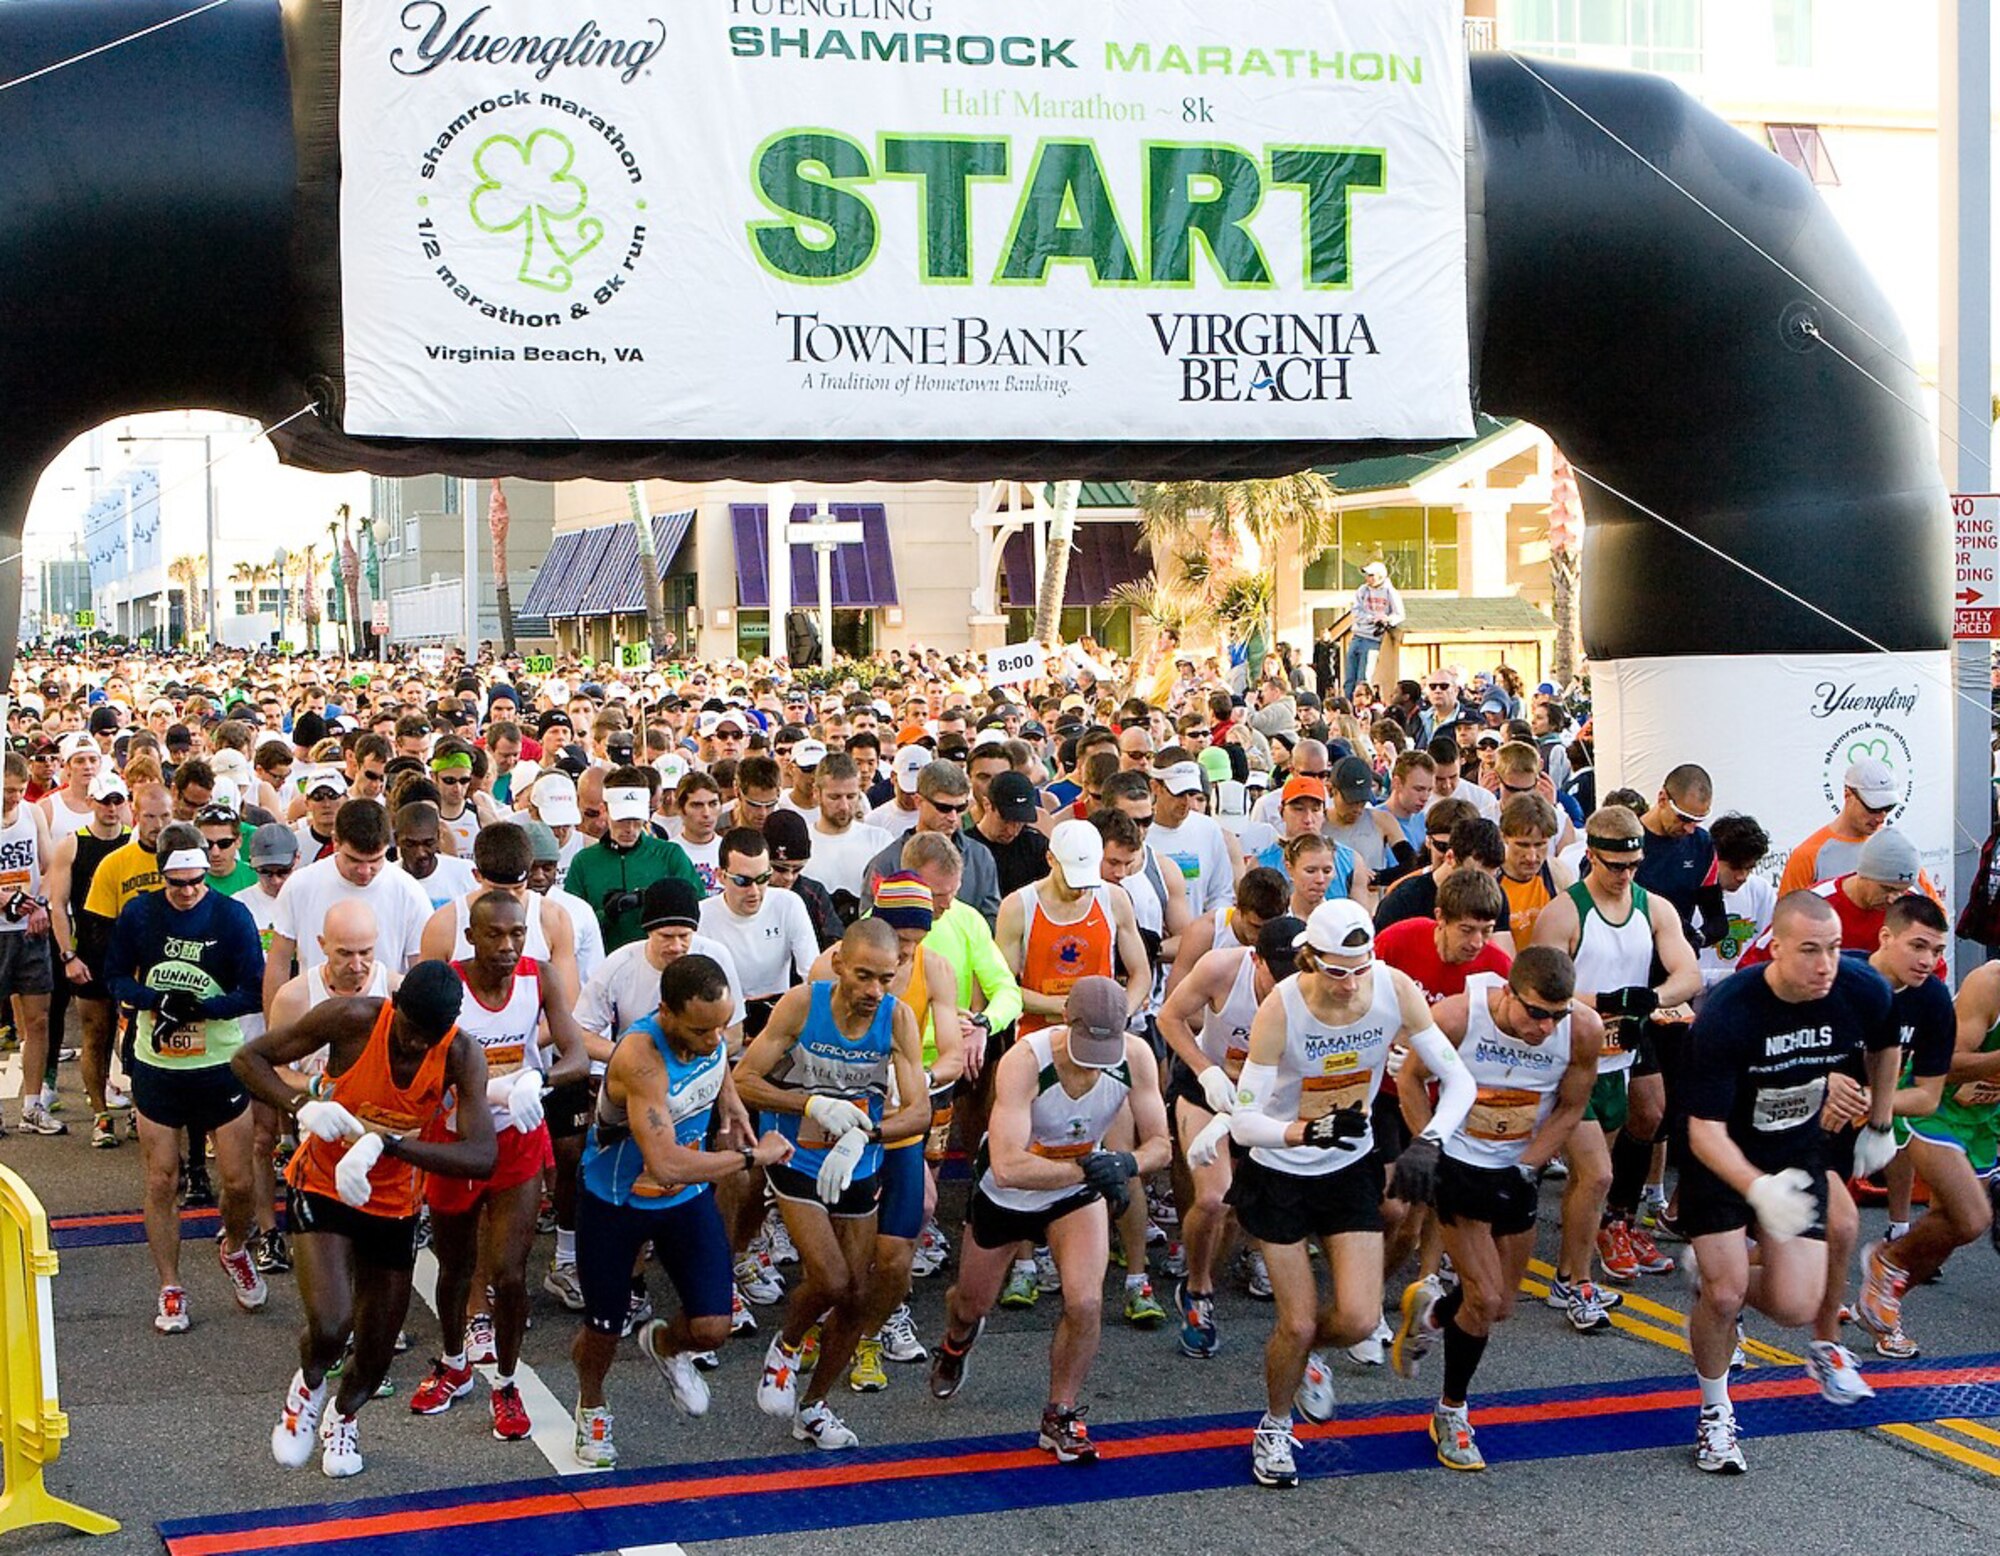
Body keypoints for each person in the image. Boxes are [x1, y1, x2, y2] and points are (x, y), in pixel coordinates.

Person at [1185, 898, 1474, 1490]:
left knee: (1362, 1318)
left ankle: (1308, 1360)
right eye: (1337, 971)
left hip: (1348, 1167)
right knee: (1293, 1324)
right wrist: (1304, 1130)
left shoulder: (1393, 988)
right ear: (1309, 960)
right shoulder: (1281, 1010)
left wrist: (1431, 1140)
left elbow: (1460, 1078)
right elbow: (1246, 1121)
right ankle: (1274, 1424)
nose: (1350, 983)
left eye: (1360, 967)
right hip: (1280, 1172)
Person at [234, 960, 496, 1478]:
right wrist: (302, 1105)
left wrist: (390, 1144)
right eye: (410, 1033)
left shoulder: (462, 1054)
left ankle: (343, 1416)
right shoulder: (352, 1018)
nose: (418, 1047)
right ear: (393, 1008)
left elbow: (482, 1154)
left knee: (376, 1356)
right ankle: (307, 1387)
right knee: (332, 1326)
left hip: (393, 1203)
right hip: (323, 1184)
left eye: (431, 1038)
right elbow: (248, 1059)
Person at [1680, 890, 1898, 1474]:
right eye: (1808, 951)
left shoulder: (1860, 987)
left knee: (1794, 1305)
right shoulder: (1730, 1011)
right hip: (1724, 1157)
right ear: (1775, 949)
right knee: (1726, 1295)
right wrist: (1757, 1191)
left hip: (1796, 1149)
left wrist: (1880, 1118)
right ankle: (1715, 1412)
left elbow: (1885, 1044)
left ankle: (1710, 1272)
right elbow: (1702, 1132)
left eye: (1831, 949)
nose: (1824, 964)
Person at [928, 977, 1171, 1460]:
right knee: (971, 1303)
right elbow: (1007, 1164)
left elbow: (1161, 1144)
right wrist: (1086, 1167)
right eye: (1086, 1047)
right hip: (1011, 1193)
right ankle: (956, 1343)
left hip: (1076, 1193)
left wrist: (1126, 1165)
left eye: (1106, 1047)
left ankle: (1060, 1413)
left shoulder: (1136, 1056)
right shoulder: (1026, 1060)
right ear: (1066, 1021)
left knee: (1084, 1303)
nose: (1094, 1060)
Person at [568, 954, 793, 1468]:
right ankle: (592, 1406)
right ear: (665, 1013)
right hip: (618, 1201)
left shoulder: (707, 1034)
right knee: (604, 1326)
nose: (715, 1039)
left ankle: (666, 1346)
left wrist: (731, 1101)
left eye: (721, 1026)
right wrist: (749, 1158)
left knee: (714, 1327)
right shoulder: (640, 1059)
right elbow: (666, 1163)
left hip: (683, 1200)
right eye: (700, 1029)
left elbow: (717, 1062)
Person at [1389, 948, 1603, 1470]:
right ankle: (1451, 1412)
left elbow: (1572, 1106)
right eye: (1535, 1012)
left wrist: (1529, 1165)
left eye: (1557, 1015)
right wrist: (1428, 1145)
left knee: (1502, 1305)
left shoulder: (1583, 1031)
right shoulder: (1459, 1017)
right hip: (1459, 1163)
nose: (1544, 1028)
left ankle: (1433, 1311)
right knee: (1483, 1299)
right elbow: (1409, 1079)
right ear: (1508, 992)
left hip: (1516, 1168)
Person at [732, 919, 929, 1450]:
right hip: (796, 1152)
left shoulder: (898, 1019)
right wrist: (812, 1103)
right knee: (831, 1279)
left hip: (855, 1159)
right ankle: (788, 1345)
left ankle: (815, 1408)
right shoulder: (802, 1004)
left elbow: (920, 1111)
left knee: (857, 1295)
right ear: (839, 963)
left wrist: (869, 1131)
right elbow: (744, 1080)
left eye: (886, 978)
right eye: (864, 976)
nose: (874, 991)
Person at [407, 892, 589, 1440]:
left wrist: (539, 1079)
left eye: (517, 935)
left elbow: (577, 1055)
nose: (509, 946)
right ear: (471, 937)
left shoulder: (540, 978)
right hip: (457, 1140)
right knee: (457, 1267)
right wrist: (490, 1087)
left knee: (510, 1275)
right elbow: (417, 1070)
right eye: (496, 935)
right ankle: (454, 1359)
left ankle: (506, 1383)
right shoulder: (446, 986)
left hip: (517, 1139)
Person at [1531, 806, 1701, 1326]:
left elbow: (1688, 972)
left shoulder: (1655, 908)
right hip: (1569, 1057)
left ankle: (1576, 1266)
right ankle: (1574, 1281)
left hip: (1621, 1051)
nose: (1623, 875)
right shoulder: (1564, 912)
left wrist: (1648, 1000)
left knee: (1607, 1165)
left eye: (1631, 865)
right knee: (1596, 1174)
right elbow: (1542, 986)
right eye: (1612, 866)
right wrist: (1607, 1001)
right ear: (1590, 857)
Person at [103, 822, 268, 1331]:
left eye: (198, 881)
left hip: (220, 1063)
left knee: (238, 1182)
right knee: (161, 1180)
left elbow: (254, 989)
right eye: (179, 884)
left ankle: (235, 1248)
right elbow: (114, 976)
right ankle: (170, 1286)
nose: (191, 891)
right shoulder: (139, 914)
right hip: (159, 1067)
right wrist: (155, 1000)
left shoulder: (231, 915)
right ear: (162, 878)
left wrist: (202, 1007)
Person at [803, 874, 964, 1392]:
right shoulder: (832, 964)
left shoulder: (935, 968)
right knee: (835, 1252)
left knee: (898, 1249)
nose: (907, 953)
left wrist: (916, 1077)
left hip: (893, 1126)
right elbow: (805, 1046)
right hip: (837, 1122)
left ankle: (870, 1333)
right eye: (900, 940)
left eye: (915, 943)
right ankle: (818, 1323)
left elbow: (956, 1055)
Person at [992, 820, 1155, 1321]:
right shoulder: (1020, 905)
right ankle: (1024, 1260)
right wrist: (1069, 1007)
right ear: (1050, 861)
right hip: (1039, 1041)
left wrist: (1115, 1011)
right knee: (1025, 1153)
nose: (1081, 886)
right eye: (1071, 875)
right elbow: (1005, 984)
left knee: (1124, 1156)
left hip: (1102, 1040)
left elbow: (1141, 972)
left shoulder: (1113, 900)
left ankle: (1137, 1275)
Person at [1155, 915, 1301, 1359]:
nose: (1281, 988)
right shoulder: (1221, 968)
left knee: (1238, 1209)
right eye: (1275, 977)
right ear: (1256, 958)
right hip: (1209, 1088)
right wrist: (1206, 1068)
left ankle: (1205, 1278)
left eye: (1291, 978)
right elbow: (1170, 1017)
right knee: (1213, 1198)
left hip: (1266, 1100)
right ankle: (1198, 1291)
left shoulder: (1310, 991)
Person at [1870, 937, 2000, 1358]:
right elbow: (1949, 1065)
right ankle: (1885, 1264)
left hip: (1986, 1121)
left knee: (1952, 1227)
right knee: (1972, 1216)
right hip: (1934, 1105)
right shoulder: (1989, 984)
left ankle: (1883, 1295)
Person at [264, 800, 434, 1012]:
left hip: (383, 1021)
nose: (365, 871)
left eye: (375, 861)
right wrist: (275, 1027)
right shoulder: (300, 885)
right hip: (313, 1020)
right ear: (335, 841)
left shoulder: (410, 892)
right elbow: (279, 962)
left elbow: (420, 970)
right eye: (354, 860)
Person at [45, 767, 129, 1145]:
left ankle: (140, 1109)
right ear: (91, 802)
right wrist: (68, 955)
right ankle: (100, 1114)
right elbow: (57, 905)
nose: (111, 808)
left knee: (135, 1038)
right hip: (92, 953)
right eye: (105, 801)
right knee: (95, 1034)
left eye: (117, 801)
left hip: (133, 955)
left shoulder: (137, 841)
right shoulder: (73, 844)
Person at [698, 827, 819, 1037]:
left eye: (763, 878)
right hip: (721, 1026)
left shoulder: (788, 903)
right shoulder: (701, 915)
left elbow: (813, 975)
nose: (754, 891)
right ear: (720, 876)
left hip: (778, 1023)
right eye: (743, 882)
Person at [566, 767, 702, 949]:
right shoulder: (583, 862)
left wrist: (657, 900)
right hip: (606, 965)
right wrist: (606, 914)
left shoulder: (670, 855)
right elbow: (570, 926)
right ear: (604, 809)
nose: (629, 828)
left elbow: (698, 907)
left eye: (637, 819)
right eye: (622, 819)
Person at [1778, 756, 1939, 896]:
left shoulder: (1894, 851)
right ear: (1848, 794)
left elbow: (1935, 913)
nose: (1881, 817)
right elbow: (1786, 924)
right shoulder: (1808, 856)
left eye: (1888, 808)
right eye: (1873, 807)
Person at [1147, 758, 1237, 915]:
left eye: (1192, 793)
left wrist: (1207, 928)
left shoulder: (1208, 829)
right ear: (1156, 787)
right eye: (1179, 793)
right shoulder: (1141, 832)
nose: (1187, 802)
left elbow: (1221, 893)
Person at [394, 801, 476, 911]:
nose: (420, 853)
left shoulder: (466, 873)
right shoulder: (385, 879)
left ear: (438, 836)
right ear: (396, 840)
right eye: (410, 844)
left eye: (428, 843)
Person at [1344, 561, 1404, 700]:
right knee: (1349, 678)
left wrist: (1386, 619)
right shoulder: (1363, 590)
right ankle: (1347, 705)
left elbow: (1399, 615)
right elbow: (1356, 611)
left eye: (1371, 575)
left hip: (1373, 639)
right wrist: (1371, 618)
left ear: (1381, 576)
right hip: (1357, 635)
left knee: (1363, 677)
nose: (1368, 578)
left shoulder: (1390, 592)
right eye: (1367, 575)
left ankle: (1362, 704)